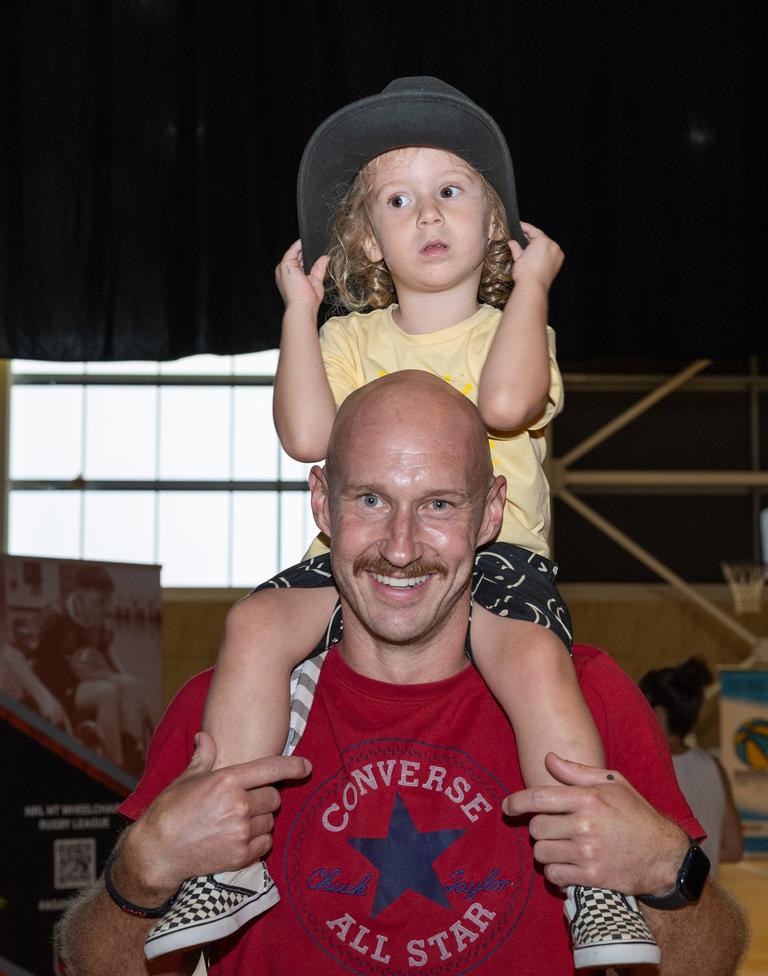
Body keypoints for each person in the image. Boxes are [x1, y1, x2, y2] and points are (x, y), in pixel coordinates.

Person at [151, 76, 647, 969]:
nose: (427, 212)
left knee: (535, 661)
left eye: (451, 190)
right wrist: (301, 314)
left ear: (496, 224)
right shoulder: (350, 338)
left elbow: (506, 404)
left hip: (496, 565)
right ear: (367, 238)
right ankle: (219, 853)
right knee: (255, 624)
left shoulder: (509, 326)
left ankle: (597, 883)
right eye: (397, 197)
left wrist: (533, 283)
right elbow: (306, 434)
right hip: (352, 562)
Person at [57, 373, 748, 976]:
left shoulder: (589, 696)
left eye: (440, 504)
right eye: (371, 500)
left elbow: (708, 961)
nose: (401, 546)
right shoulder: (222, 705)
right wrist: (140, 870)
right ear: (322, 502)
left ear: (492, 511)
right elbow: (88, 960)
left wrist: (667, 871)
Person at [32, 564, 146, 772]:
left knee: (129, 685)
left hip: (84, 687)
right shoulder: (55, 617)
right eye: (99, 601)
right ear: (80, 593)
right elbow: (22, 658)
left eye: (107, 601)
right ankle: (113, 768)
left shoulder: (99, 624)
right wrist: (43, 697)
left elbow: (117, 669)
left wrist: (126, 683)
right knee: (107, 692)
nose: (105, 608)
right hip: (56, 691)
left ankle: (132, 757)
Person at [640, 657, 743, 875]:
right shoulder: (713, 767)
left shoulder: (644, 764)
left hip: (656, 905)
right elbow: (733, 849)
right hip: (706, 902)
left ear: (659, 714)